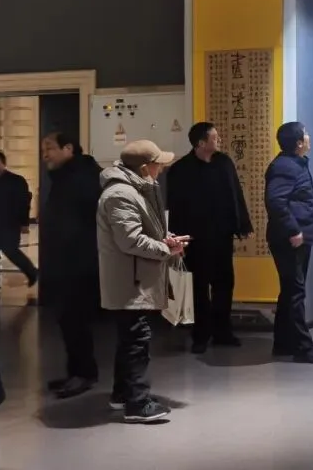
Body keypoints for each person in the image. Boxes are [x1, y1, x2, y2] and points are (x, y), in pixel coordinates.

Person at [97, 140, 187, 423]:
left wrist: (165, 240)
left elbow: (144, 229)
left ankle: (122, 394)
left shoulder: (134, 189)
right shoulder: (121, 194)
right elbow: (130, 240)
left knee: (130, 338)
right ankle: (137, 403)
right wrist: (165, 250)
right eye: (159, 164)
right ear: (146, 167)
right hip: (130, 280)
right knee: (137, 338)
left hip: (134, 276)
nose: (162, 169)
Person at [166, 122, 252, 354]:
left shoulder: (224, 163)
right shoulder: (180, 170)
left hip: (222, 236)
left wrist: (242, 224)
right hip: (195, 240)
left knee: (224, 283)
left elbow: (236, 194)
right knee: (199, 287)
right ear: (201, 143)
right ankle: (201, 335)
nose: (219, 139)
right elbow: (174, 206)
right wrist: (177, 239)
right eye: (214, 137)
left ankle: (223, 331)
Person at [39, 133, 102, 399]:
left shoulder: (83, 177)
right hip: (64, 262)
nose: (45, 154)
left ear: (68, 148)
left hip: (78, 263)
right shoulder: (64, 177)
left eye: (49, 148)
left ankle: (84, 374)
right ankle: (75, 371)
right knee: (67, 320)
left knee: (76, 320)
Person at [265, 121, 313, 364]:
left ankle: (283, 343)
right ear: (299, 142)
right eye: (306, 134)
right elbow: (276, 201)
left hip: (297, 236)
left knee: (290, 290)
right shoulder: (285, 166)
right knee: (295, 292)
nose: (309, 137)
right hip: (290, 239)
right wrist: (293, 230)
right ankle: (303, 346)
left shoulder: (294, 163)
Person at [0, 151, 36, 294]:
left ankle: (32, 272)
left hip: (10, 224)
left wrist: (24, 223)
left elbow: (24, 203)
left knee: (10, 250)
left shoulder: (17, 181)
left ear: (4, 164)